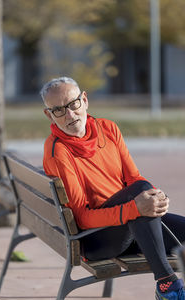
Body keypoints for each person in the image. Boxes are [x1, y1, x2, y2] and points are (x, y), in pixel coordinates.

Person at [40, 76, 185, 300]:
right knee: (140, 194)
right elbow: (81, 217)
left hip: (134, 223)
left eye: (73, 104)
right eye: (58, 110)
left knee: (144, 190)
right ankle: (167, 285)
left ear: (84, 100)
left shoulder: (108, 128)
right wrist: (135, 208)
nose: (70, 115)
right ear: (48, 115)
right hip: (96, 239)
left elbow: (133, 178)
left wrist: (156, 196)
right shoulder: (58, 153)